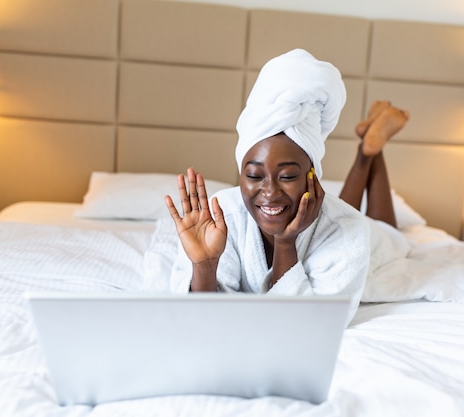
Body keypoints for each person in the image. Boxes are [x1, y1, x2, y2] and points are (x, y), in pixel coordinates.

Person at [163, 49, 409, 318]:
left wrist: (285, 242)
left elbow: (306, 322)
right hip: (331, 215)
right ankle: (368, 149)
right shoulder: (221, 217)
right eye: (255, 176)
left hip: (363, 236)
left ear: (312, 175)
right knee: (334, 214)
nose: (269, 192)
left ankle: (369, 152)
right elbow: (202, 319)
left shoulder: (350, 229)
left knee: (388, 233)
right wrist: (204, 266)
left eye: (288, 176)